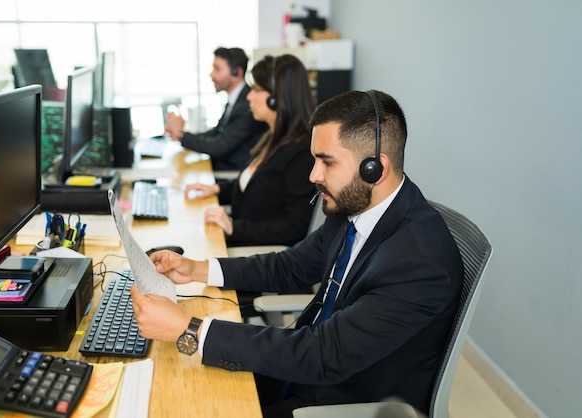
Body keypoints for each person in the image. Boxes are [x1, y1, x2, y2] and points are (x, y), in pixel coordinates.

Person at [131, 89, 464, 418]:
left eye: (326, 162)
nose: (313, 175)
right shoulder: (356, 208)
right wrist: (198, 269)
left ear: (374, 168)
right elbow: (290, 266)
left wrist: (189, 329)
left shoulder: (419, 263)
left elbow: (322, 354)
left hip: (341, 400)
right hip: (303, 369)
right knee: (182, 388)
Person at [184, 54, 316, 247]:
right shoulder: (272, 138)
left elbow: (295, 227)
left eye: (256, 90)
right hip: (242, 239)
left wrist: (232, 227)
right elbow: (253, 186)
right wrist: (216, 188)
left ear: (276, 99)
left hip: (259, 253)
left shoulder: (301, 152)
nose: (249, 96)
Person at [165, 47, 267, 171]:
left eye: (217, 69)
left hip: (230, 174)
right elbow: (217, 132)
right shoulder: (235, 100)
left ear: (236, 72)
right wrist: (182, 135)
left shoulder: (247, 105)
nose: (211, 74)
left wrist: (182, 135)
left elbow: (219, 147)